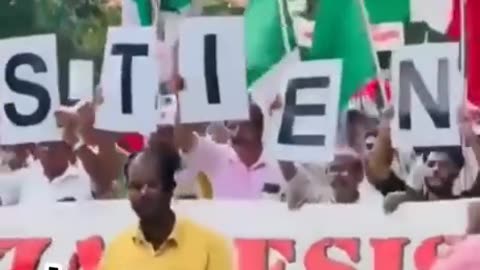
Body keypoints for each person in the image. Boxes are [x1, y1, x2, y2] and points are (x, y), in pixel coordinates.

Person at [100, 143, 234, 270]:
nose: (143, 193)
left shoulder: (211, 247)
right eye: (136, 186)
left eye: (152, 185)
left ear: (170, 188)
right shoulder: (115, 250)